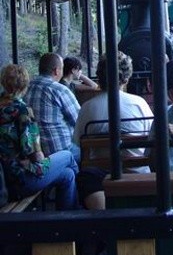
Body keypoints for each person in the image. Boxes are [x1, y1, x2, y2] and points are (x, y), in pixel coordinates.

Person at [73, 51, 153, 210]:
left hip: (98, 180)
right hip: (138, 175)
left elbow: (77, 142)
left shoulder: (87, 108)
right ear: (127, 77)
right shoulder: (139, 104)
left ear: (100, 77)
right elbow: (152, 138)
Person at [0, 64, 79, 210]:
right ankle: (78, 213)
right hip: (20, 179)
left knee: (67, 175)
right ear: (25, 84)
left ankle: (68, 217)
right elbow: (34, 155)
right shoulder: (22, 111)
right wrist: (45, 163)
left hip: (4, 181)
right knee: (68, 156)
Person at [24, 52, 81, 163]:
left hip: (33, 153)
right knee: (92, 151)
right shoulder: (59, 90)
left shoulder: (25, 88)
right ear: (56, 71)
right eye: (62, 69)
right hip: (60, 150)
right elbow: (79, 121)